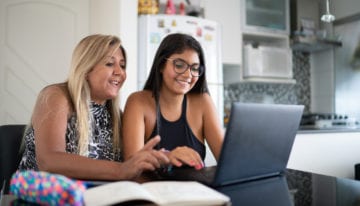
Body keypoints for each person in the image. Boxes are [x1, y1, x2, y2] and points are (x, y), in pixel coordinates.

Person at [18, 34, 169, 180]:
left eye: (122, 65)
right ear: (86, 69)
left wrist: (165, 159)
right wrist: (120, 170)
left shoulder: (116, 116)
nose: (120, 72)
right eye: (110, 64)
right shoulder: (57, 96)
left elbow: (135, 165)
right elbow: (49, 161)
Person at [122, 33, 224, 170]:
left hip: (195, 189)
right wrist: (167, 158)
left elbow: (226, 162)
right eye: (180, 65)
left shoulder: (203, 102)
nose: (188, 75)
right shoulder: (138, 102)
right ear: (161, 65)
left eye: (194, 68)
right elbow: (131, 169)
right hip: (152, 189)